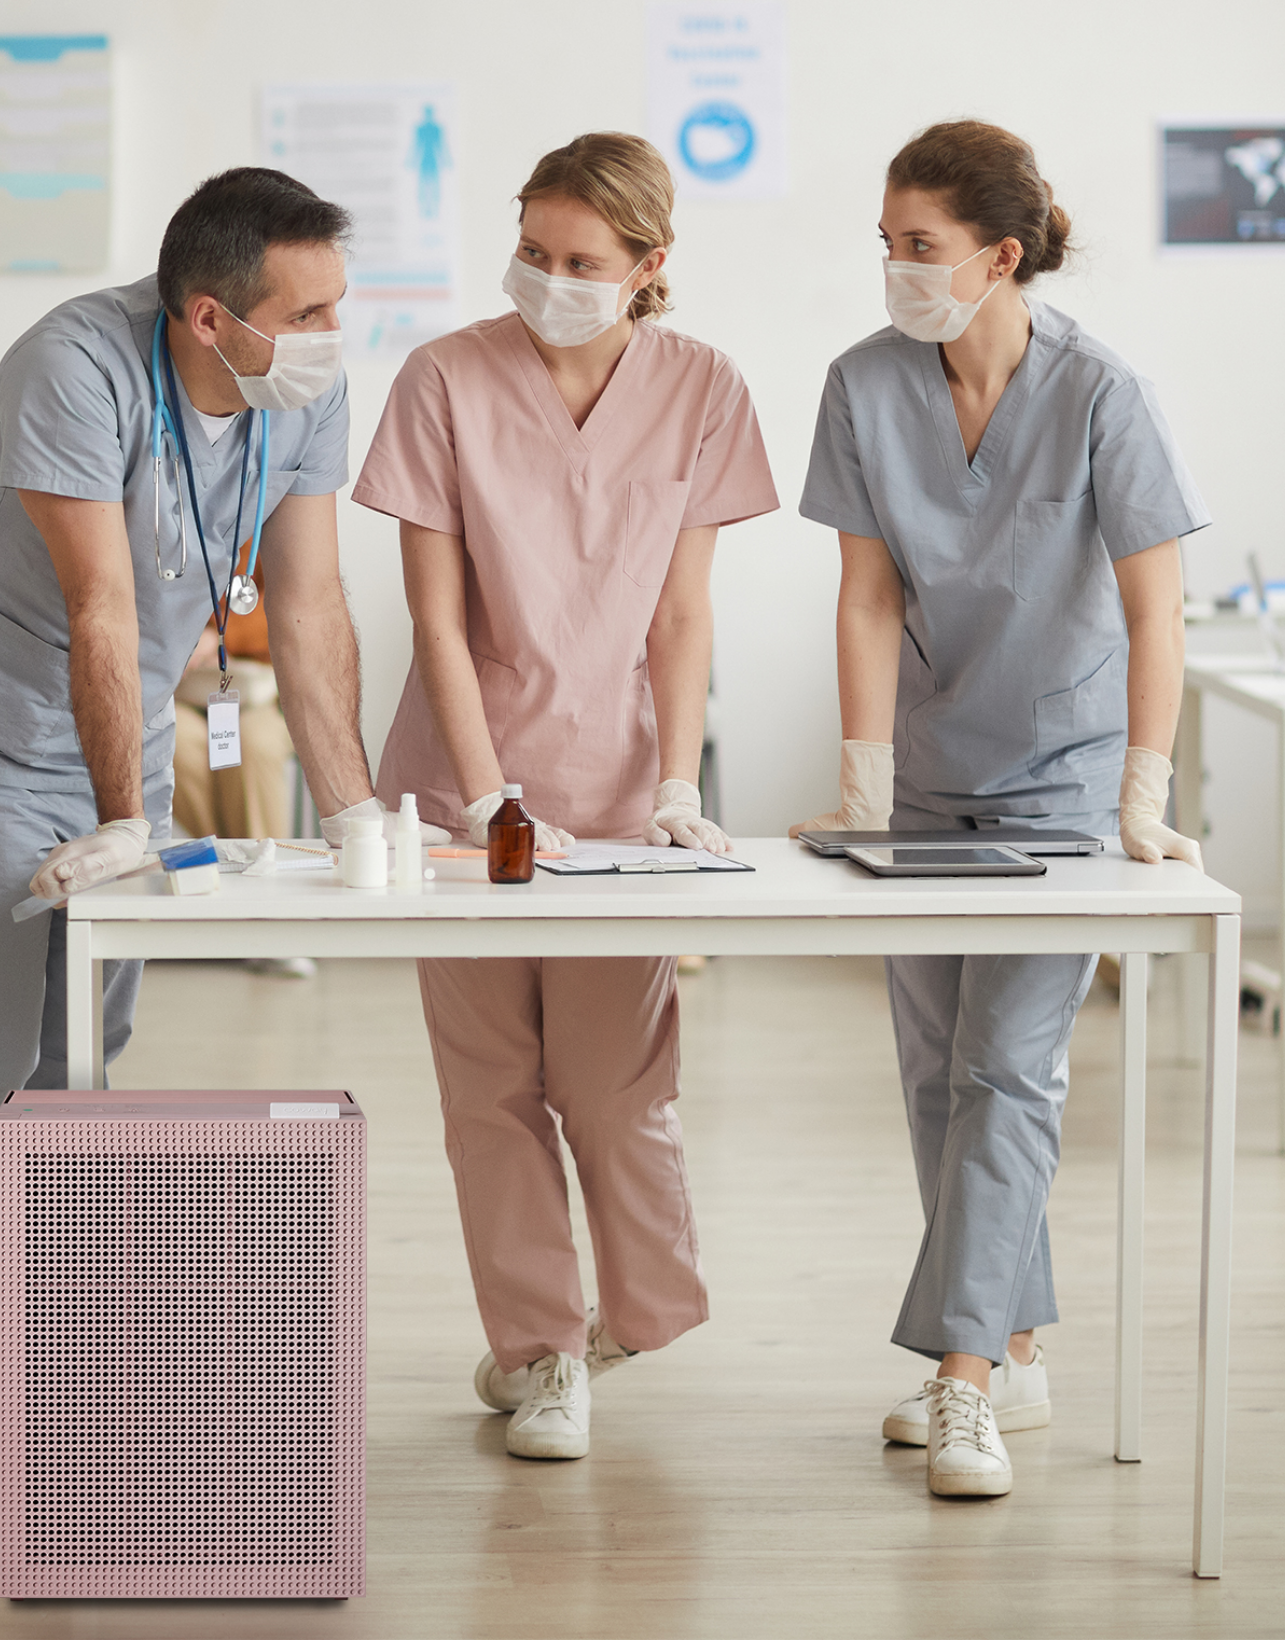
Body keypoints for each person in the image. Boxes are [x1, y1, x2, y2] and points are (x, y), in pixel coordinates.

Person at [0, 168, 438, 1451]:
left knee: (73, 1056)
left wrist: (351, 808)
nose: (332, 339)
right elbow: (101, 609)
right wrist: (128, 819)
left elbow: (307, 602)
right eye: (306, 314)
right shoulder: (71, 363)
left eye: (336, 308)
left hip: (109, 737)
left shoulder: (306, 389)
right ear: (205, 317)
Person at [794, 120, 1208, 1498]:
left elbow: (1158, 610)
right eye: (889, 247)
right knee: (932, 1079)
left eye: (923, 248)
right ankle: (1014, 1346)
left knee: (1009, 1072)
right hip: (928, 778)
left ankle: (960, 1384)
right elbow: (865, 594)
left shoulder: (1101, 393)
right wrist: (862, 786)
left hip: (1066, 780)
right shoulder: (864, 385)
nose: (899, 272)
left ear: (1000, 255)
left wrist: (1142, 795)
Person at [355, 132, 778, 1460]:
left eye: (581, 261)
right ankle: (541, 1353)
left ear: (651, 267)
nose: (548, 279)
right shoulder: (444, 378)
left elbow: (683, 613)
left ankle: (640, 1312)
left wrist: (676, 781)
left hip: (615, 788)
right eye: (532, 251)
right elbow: (435, 620)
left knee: (611, 1085)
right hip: (463, 780)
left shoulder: (704, 389)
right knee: (491, 1088)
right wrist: (486, 802)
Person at [173, 571, 316, 979]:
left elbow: (300, 605)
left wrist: (217, 637)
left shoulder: (270, 517)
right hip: (190, 690)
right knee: (173, 742)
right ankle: (238, 876)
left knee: (252, 747)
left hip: (264, 692)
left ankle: (272, 917)